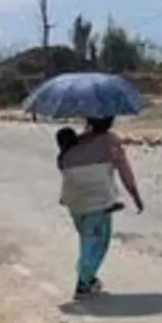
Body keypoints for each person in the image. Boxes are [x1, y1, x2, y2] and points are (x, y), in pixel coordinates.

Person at [56, 116, 143, 299]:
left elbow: (63, 166)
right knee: (97, 243)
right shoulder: (110, 142)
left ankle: (88, 277)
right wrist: (135, 196)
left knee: (87, 241)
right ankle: (83, 284)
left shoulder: (76, 142)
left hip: (74, 202)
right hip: (97, 203)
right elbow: (125, 172)